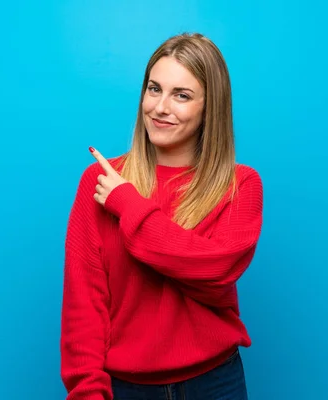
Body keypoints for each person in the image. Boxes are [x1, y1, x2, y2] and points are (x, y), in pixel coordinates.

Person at [60, 32, 263, 400]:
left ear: (209, 108)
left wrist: (129, 204)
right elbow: (83, 306)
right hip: (127, 389)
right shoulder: (101, 180)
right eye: (154, 89)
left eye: (181, 95)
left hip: (216, 384)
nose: (160, 107)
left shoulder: (240, 184)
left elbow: (215, 269)